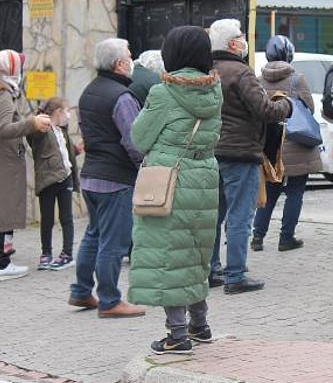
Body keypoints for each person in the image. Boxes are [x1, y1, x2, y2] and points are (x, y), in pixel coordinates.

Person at [128, 25, 222, 355]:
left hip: (170, 179)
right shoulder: (215, 91)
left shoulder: (163, 93)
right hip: (205, 178)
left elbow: (139, 138)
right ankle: (200, 324)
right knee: (195, 252)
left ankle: (177, 334)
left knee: (168, 255)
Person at [208, 18, 291, 294]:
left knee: (214, 216)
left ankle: (212, 270)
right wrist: (285, 105)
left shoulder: (208, 71)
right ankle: (236, 275)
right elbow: (265, 110)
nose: (245, 41)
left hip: (213, 151)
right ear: (233, 43)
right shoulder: (241, 73)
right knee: (240, 216)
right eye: (242, 37)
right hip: (241, 152)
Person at [69, 38, 146, 318]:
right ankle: (110, 300)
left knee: (93, 235)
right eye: (129, 56)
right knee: (113, 242)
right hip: (115, 178)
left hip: (91, 176)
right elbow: (135, 139)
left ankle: (80, 291)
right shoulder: (121, 96)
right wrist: (145, 165)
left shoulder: (89, 92)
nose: (132, 60)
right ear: (119, 64)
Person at [0, 49, 52, 281]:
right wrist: (32, 123)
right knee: (2, 206)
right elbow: (4, 128)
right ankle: (2, 264)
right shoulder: (2, 93)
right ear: (10, 70)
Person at [251, 35, 322, 252]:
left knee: (271, 191)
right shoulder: (296, 79)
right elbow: (309, 108)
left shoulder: (258, 80)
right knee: (295, 191)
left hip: (271, 144)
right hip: (296, 143)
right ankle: (286, 238)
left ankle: (257, 237)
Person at [27, 97, 80, 271]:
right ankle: (46, 253)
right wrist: (39, 117)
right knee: (47, 219)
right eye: (66, 112)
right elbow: (31, 135)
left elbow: (67, 151)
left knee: (66, 218)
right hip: (47, 179)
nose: (68, 116)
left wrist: (78, 149)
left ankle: (67, 253)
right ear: (57, 112)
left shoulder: (62, 130)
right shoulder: (43, 129)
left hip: (66, 177)